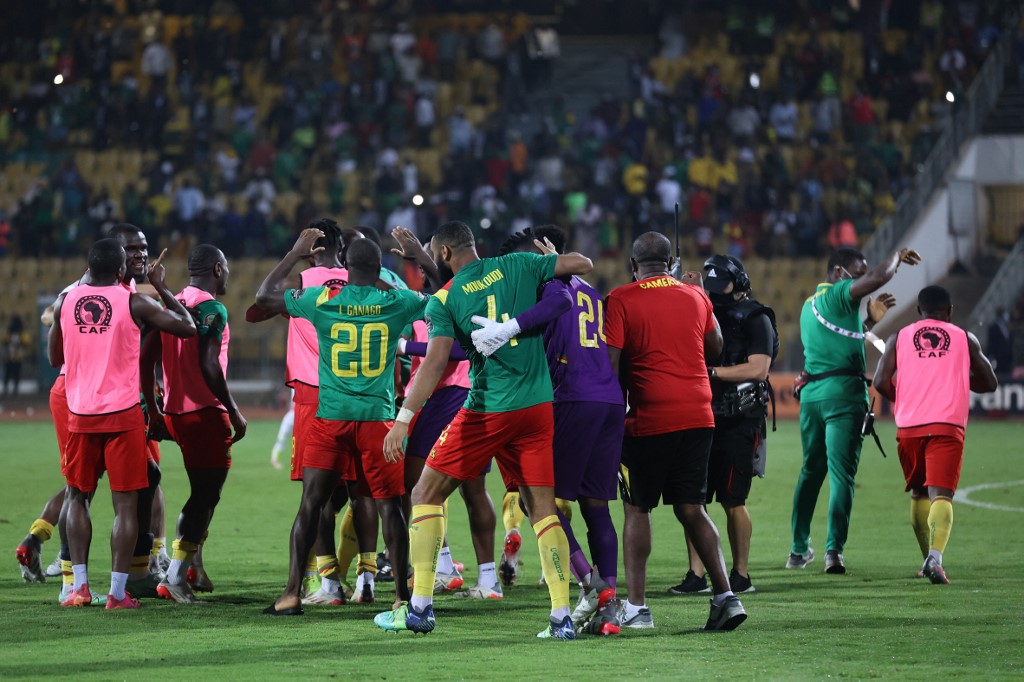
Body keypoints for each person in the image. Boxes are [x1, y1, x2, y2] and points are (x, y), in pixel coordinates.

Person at [374, 220, 593, 639]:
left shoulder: (445, 298)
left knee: (424, 492)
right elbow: (582, 264)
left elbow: (437, 363)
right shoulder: (519, 264)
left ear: (441, 254)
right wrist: (549, 261)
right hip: (536, 406)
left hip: (489, 408)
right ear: (472, 244)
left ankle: (419, 607)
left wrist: (403, 420)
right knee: (542, 510)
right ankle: (562, 617)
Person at [258, 232, 425, 616]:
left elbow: (264, 298)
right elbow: (441, 302)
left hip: (331, 417)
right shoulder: (396, 301)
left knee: (311, 504)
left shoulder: (323, 301)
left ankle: (290, 594)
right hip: (377, 420)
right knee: (389, 509)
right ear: (379, 268)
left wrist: (294, 254)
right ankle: (401, 598)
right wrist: (419, 260)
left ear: (345, 266)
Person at [605, 231, 745, 632]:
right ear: (669, 263)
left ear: (634, 266)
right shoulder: (696, 296)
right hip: (699, 415)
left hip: (648, 418)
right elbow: (715, 348)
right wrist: (699, 296)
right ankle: (725, 597)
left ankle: (637, 608)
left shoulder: (621, 298)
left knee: (637, 507)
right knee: (691, 508)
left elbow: (610, 364)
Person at [48, 239, 196, 609]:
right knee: (126, 505)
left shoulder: (66, 301)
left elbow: (54, 357)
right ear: (119, 271)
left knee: (77, 496)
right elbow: (187, 326)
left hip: (80, 414)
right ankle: (116, 593)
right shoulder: (134, 301)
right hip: (123, 414)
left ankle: (79, 588)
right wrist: (160, 286)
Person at [496, 225, 624, 636]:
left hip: (570, 397)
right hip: (608, 399)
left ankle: (591, 584)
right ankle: (610, 607)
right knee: (596, 506)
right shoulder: (592, 291)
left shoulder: (545, 289)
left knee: (538, 502)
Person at [248, 218, 373, 604]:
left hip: (316, 396)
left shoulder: (304, 284)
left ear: (313, 247)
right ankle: (368, 580)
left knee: (314, 495)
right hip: (362, 394)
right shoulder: (364, 281)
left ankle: (328, 584)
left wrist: (292, 256)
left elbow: (261, 299)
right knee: (363, 492)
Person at [789, 246, 921, 574]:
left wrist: (867, 322)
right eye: (857, 274)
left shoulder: (809, 306)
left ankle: (797, 550)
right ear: (838, 273)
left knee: (810, 472)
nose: (862, 281)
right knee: (841, 476)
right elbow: (879, 276)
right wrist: (897, 256)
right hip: (844, 398)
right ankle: (833, 552)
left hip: (812, 399)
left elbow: (837, 345)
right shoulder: (838, 293)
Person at [142, 244, 246, 604]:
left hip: (176, 414)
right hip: (205, 413)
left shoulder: (170, 305)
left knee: (202, 492)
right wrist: (232, 409)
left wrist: (155, 409)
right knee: (205, 495)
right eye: (227, 268)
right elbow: (209, 364)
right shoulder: (212, 308)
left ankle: (190, 569)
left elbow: (146, 357)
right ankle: (175, 576)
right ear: (218, 269)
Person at [873, 286, 998, 584]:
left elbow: (879, 381)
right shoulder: (964, 338)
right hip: (946, 425)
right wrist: (959, 382)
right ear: (950, 311)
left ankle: (925, 560)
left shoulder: (899, 337)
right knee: (941, 494)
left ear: (919, 312)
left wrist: (903, 396)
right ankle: (936, 558)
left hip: (909, 428)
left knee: (918, 493)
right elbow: (990, 382)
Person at [670, 255, 778, 596]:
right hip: (703, 415)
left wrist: (712, 373)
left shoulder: (756, 317)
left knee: (734, 500)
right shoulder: (703, 310)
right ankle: (695, 574)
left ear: (740, 283)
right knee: (693, 499)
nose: (716, 294)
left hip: (740, 420)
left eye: (722, 287)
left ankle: (741, 574)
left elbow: (759, 369)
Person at [2, 315, 28, 396]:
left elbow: (26, 343)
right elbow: (4, 341)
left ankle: (13, 390)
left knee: (13, 374)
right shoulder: (9, 332)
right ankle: (8, 389)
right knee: (9, 374)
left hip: (16, 357)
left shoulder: (21, 333)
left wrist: (19, 341)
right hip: (10, 357)